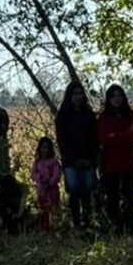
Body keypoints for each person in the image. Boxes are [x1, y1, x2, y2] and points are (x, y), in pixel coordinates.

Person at [97, 84, 133, 234]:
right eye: (113, 96)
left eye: (119, 95)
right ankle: (115, 228)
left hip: (128, 162)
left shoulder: (132, 115)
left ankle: (130, 227)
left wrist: (114, 135)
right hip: (111, 164)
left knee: (129, 197)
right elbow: (103, 138)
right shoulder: (103, 117)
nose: (117, 99)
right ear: (108, 99)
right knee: (112, 199)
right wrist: (123, 134)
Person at [55, 81, 99, 229]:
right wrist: (74, 160)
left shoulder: (89, 115)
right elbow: (62, 141)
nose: (78, 97)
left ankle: (87, 222)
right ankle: (76, 222)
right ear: (69, 96)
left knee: (87, 192)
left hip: (88, 159)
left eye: (80, 94)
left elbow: (95, 139)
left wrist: (91, 159)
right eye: (75, 94)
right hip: (71, 161)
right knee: (73, 192)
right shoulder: (62, 116)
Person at [31, 137, 62, 231]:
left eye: (47, 148)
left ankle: (55, 227)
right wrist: (39, 182)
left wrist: (50, 183)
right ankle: (44, 227)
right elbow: (33, 174)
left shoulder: (54, 162)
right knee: (43, 210)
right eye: (43, 147)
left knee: (53, 209)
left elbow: (56, 175)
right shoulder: (37, 162)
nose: (45, 150)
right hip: (41, 191)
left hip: (52, 190)